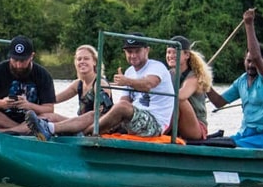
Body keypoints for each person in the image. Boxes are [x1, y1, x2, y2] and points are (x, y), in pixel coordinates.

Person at [26, 35, 173, 140]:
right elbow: (53, 99)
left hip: (154, 123)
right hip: (124, 120)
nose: (133, 55)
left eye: (137, 51)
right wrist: (30, 102)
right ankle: (36, 129)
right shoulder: (128, 72)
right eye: (129, 51)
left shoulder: (156, 67)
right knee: (53, 116)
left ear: (147, 50)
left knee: (98, 113)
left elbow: (148, 85)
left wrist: (126, 81)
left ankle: (71, 132)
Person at [205, 9, 263, 149]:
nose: (251, 65)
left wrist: (249, 25)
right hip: (244, 134)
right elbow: (218, 102)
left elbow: (256, 56)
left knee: (228, 145)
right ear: (244, 61)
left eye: (254, 62)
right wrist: (204, 83)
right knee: (212, 142)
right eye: (248, 61)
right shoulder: (241, 81)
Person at [0, 36, 57, 133]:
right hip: (2, 118)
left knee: (50, 117)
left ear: (32, 56)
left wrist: (28, 105)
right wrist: (1, 103)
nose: (18, 65)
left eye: (23, 61)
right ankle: (21, 130)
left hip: (31, 119)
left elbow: (49, 109)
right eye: (15, 60)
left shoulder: (43, 75)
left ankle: (3, 132)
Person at [164, 35, 211, 141]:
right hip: (176, 122)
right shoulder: (168, 74)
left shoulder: (195, 76)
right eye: (168, 52)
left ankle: (159, 131)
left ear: (186, 55)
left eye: (175, 52)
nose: (171, 55)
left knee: (179, 100)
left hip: (196, 127)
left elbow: (181, 96)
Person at [50, 44, 113, 122]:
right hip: (81, 125)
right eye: (79, 59)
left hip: (96, 127)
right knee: (48, 116)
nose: (82, 61)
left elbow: (97, 117)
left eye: (86, 59)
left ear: (94, 62)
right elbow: (53, 99)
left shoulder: (100, 84)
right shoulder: (78, 84)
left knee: (53, 118)